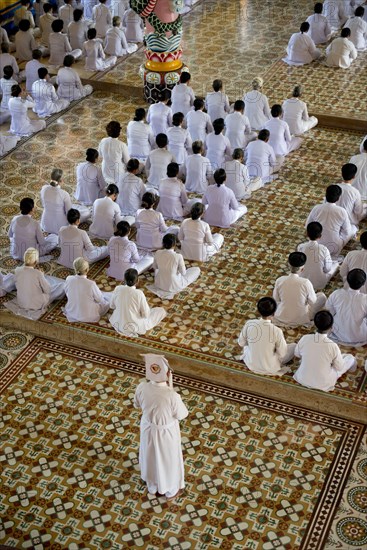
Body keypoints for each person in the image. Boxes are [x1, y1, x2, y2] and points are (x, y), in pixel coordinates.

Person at [134, 353, 188, 500]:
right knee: (167, 460)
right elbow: (182, 414)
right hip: (166, 433)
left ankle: (152, 486)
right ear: (168, 373)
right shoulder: (172, 396)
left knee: (150, 456)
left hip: (148, 428)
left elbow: (137, 404)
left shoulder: (141, 387)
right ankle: (170, 490)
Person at [293, 310, 357, 391]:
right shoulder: (333, 346)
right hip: (323, 383)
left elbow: (297, 354)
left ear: (315, 325)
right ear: (331, 327)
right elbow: (339, 367)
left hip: (302, 378)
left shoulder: (305, 338)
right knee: (350, 358)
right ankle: (353, 371)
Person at [238, 297, 296, 376]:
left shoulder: (249, 323)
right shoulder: (277, 331)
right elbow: (282, 354)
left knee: (246, 347)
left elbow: (241, 343)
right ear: (274, 313)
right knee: (293, 346)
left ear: (258, 310)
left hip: (251, 363)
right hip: (269, 367)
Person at [5, 247, 65, 319]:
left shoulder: (17, 270)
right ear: (36, 261)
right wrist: (41, 276)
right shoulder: (37, 273)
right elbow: (48, 290)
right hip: (36, 304)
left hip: (21, 303)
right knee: (60, 286)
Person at [273, 251, 327, 326]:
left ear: (288, 265)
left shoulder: (280, 280)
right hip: (301, 318)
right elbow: (313, 302)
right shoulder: (305, 282)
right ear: (302, 269)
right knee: (322, 296)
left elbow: (276, 299)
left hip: (281, 316)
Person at [109, 268, 167, 336]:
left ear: (124, 279)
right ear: (137, 281)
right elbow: (146, 315)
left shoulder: (118, 288)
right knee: (161, 311)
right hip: (135, 326)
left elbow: (112, 306)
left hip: (118, 322)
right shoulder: (139, 293)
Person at [306, 185, 354, 258]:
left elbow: (308, 225)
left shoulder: (317, 208)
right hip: (334, 247)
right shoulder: (342, 211)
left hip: (317, 243)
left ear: (326, 195)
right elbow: (347, 232)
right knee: (353, 229)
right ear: (338, 198)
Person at [149, 233, 200, 299]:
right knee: (196, 269)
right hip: (174, 285)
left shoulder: (157, 252)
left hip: (159, 283)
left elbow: (155, 267)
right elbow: (183, 273)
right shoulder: (178, 256)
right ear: (174, 244)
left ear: (163, 243)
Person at [40, 168, 90, 234]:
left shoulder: (44, 189)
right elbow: (69, 213)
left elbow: (43, 205)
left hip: (46, 224)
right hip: (61, 225)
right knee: (86, 213)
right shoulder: (64, 194)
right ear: (61, 180)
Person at [325, 269, 367, 346]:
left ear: (347, 280)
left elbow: (328, 313)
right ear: (363, 283)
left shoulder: (336, 294)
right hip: (361, 336)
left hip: (338, 333)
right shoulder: (365, 299)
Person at [64, 257, 111, 322]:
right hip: (89, 315)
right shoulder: (91, 284)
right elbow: (99, 299)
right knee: (107, 301)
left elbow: (67, 291)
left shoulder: (69, 278)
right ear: (87, 270)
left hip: (72, 311)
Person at [297, 222, 340, 291]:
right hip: (319, 283)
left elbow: (298, 265)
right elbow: (327, 269)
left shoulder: (301, 247)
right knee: (336, 265)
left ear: (307, 234)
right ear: (320, 236)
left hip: (302, 281)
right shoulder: (324, 249)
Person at [335, 163, 366, 231]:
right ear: (354, 176)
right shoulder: (355, 192)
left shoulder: (334, 187)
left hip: (334, 217)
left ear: (342, 174)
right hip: (349, 220)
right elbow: (358, 212)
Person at [98, 120, 129, 184]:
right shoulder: (122, 145)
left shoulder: (103, 141)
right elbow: (127, 161)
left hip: (105, 172)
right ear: (119, 132)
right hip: (118, 174)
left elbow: (100, 155)